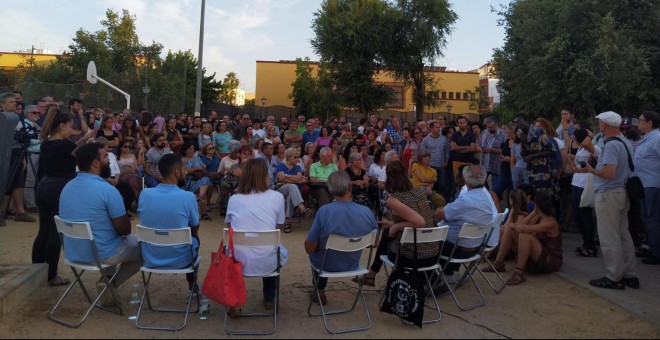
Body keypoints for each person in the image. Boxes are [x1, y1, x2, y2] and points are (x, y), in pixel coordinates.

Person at [58, 143, 140, 306]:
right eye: (105, 156)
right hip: (101, 253)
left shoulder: (67, 187)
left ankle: (107, 279)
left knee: (107, 237)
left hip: (73, 251)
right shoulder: (107, 190)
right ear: (95, 163)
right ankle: (110, 284)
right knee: (147, 247)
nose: (109, 160)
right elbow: (125, 229)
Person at [577, 111, 639, 290]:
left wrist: (591, 169)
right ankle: (630, 275)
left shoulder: (611, 145)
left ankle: (613, 276)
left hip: (609, 193)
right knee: (623, 235)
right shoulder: (624, 141)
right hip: (621, 192)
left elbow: (609, 173)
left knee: (609, 237)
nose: (598, 126)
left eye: (600, 123)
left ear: (604, 125)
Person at [31, 108, 92, 286]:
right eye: (69, 127)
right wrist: (87, 140)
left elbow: (72, 149)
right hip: (59, 187)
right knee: (54, 233)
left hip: (44, 186)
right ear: (61, 125)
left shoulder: (46, 143)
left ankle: (37, 271)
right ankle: (51, 275)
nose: (71, 130)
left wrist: (82, 140)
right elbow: (80, 154)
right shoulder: (65, 146)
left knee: (43, 230)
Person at [355, 160, 435, 288]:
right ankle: (371, 274)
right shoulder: (419, 191)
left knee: (388, 233)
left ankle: (371, 274)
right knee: (389, 229)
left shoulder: (394, 200)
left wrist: (396, 226)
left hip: (414, 255)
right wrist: (392, 223)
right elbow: (415, 219)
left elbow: (419, 222)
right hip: (432, 253)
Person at [225, 158, 288, 315]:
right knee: (273, 249)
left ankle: (235, 302)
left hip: (239, 260)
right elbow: (277, 226)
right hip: (267, 261)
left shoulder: (234, 198)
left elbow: (229, 226)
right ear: (265, 175)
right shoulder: (277, 197)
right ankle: (269, 298)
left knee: (231, 250)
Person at [305, 171, 378, 305]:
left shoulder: (324, 211)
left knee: (319, 251)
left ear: (330, 191)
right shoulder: (367, 212)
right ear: (350, 187)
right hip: (352, 263)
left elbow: (309, 248)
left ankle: (319, 290)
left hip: (325, 265)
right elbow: (373, 244)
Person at [137, 153, 200, 293]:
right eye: (185, 169)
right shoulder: (188, 197)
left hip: (149, 257)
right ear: (177, 172)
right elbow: (195, 226)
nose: (186, 172)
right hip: (181, 260)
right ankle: (191, 283)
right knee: (194, 236)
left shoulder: (145, 194)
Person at [434, 165, 498, 284]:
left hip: (457, 250)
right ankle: (452, 272)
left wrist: (436, 201)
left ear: (465, 179)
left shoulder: (465, 200)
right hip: (476, 248)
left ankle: (442, 275)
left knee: (427, 241)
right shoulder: (485, 197)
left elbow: (438, 214)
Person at [483, 191, 562, 285]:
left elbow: (524, 228)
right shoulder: (539, 216)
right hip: (539, 253)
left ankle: (519, 272)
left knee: (525, 234)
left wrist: (514, 224)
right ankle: (498, 263)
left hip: (550, 260)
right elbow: (521, 225)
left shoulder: (550, 222)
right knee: (509, 229)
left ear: (537, 205)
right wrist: (533, 213)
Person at [632, 111, 660, 265]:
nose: (638, 123)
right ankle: (651, 246)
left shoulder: (657, 138)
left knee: (653, 218)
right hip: (643, 184)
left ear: (650, 123)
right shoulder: (647, 138)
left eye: (640, 120)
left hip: (653, 184)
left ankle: (657, 252)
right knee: (646, 218)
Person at [569, 128, 601, 257]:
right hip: (576, 182)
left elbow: (592, 164)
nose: (572, 136)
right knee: (578, 215)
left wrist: (590, 135)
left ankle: (591, 246)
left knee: (585, 215)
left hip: (585, 183)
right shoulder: (581, 149)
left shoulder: (591, 147)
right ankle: (585, 243)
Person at [180, 142, 212, 220]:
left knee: (206, 180)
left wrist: (202, 168)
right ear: (185, 150)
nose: (192, 150)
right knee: (206, 182)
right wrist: (197, 169)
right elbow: (185, 171)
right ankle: (203, 211)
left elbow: (202, 167)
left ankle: (200, 198)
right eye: (190, 149)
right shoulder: (182, 160)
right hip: (186, 182)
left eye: (193, 148)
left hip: (198, 180)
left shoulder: (197, 158)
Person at [420, 121, 450, 197]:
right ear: (431, 129)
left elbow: (447, 151)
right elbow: (422, 152)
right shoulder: (426, 140)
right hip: (430, 166)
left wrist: (446, 161)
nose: (439, 129)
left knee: (442, 184)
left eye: (439, 127)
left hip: (441, 166)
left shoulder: (444, 139)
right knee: (431, 185)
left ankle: (441, 202)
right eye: (436, 127)